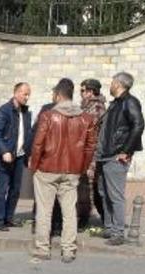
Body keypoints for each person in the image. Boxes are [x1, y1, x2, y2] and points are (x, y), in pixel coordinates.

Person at [29, 80, 98, 263]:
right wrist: (81, 168)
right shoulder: (86, 118)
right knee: (69, 211)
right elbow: (90, 147)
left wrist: (34, 165)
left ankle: (43, 249)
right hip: (72, 170)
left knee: (44, 211)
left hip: (47, 169)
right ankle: (68, 250)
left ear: (58, 95)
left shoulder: (48, 116)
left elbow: (38, 144)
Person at [97, 72, 145, 245]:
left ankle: (118, 233)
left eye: (112, 82)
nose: (109, 85)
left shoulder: (129, 102)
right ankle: (109, 227)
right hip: (105, 155)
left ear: (118, 84)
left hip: (115, 156)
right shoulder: (116, 104)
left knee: (115, 195)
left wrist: (125, 150)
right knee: (104, 193)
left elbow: (139, 125)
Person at [0, 82, 33, 231]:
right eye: (24, 94)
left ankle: (9, 218)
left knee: (15, 190)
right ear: (16, 93)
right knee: (2, 190)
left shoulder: (26, 113)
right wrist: (4, 151)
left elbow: (28, 135)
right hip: (5, 158)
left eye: (28, 94)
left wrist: (29, 154)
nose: (27, 97)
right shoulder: (4, 111)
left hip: (20, 157)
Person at [79, 78, 108, 227]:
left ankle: (86, 220)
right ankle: (104, 219)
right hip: (87, 153)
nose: (81, 94)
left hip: (92, 155)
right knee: (91, 188)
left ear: (90, 92)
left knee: (88, 187)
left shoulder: (96, 108)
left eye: (83, 90)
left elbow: (89, 132)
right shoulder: (88, 106)